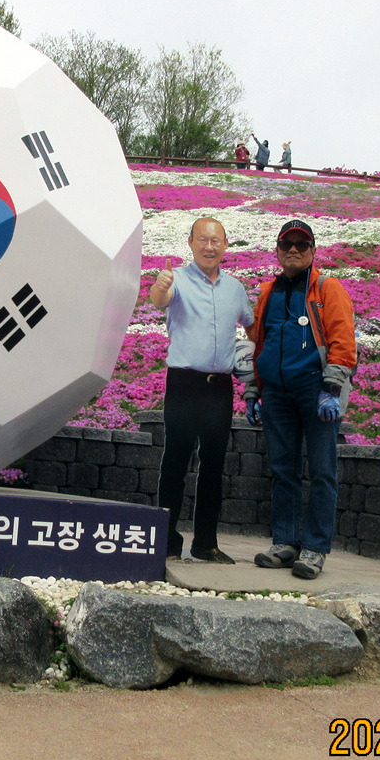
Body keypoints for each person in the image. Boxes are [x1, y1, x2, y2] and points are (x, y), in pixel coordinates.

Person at [244, 219, 357, 580]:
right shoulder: (268, 291)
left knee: (323, 470)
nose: (293, 249)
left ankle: (315, 548)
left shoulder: (328, 288)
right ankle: (285, 541)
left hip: (315, 389)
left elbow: (343, 340)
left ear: (313, 251)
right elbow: (258, 344)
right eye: (286, 244)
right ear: (277, 250)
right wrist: (254, 390)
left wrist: (332, 389)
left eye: (301, 244)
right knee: (283, 469)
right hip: (276, 392)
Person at [149, 217, 254, 563]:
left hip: (219, 387)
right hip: (184, 382)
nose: (209, 246)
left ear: (226, 245)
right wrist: (160, 286)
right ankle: (166, 541)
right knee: (175, 461)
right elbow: (160, 299)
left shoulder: (235, 289)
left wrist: (255, 368)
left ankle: (206, 543)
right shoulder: (176, 278)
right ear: (191, 242)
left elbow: (252, 327)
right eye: (203, 240)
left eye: (215, 240)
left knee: (213, 465)